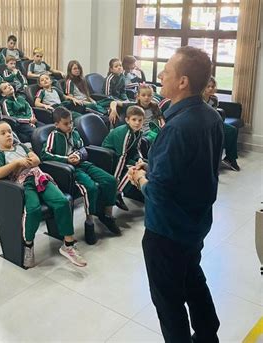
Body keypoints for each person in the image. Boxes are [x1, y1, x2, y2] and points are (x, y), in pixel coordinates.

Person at [128, 46, 222, 342]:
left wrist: (141, 178)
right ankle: (208, 335)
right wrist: (153, 164)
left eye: (166, 71)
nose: (161, 76)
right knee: (193, 278)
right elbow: (191, 167)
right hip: (195, 223)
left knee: (169, 302)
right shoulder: (210, 116)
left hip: (167, 231)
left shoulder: (178, 128)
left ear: (182, 81)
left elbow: (159, 192)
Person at [0, 121, 86, 268]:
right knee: (33, 210)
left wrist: (29, 161)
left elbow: (36, 159)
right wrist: (17, 163)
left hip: (40, 178)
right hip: (23, 185)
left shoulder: (21, 146)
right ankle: (28, 245)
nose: (8, 135)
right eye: (3, 133)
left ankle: (68, 245)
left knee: (62, 201)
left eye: (9, 131)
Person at [41, 107, 121, 244]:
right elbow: (45, 155)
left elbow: (82, 149)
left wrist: (78, 155)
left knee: (111, 181)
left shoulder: (75, 133)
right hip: (70, 170)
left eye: (71, 122)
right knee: (91, 188)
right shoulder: (53, 136)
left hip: (82, 164)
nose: (70, 125)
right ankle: (89, 222)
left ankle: (107, 215)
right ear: (57, 124)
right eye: (66, 123)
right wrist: (66, 159)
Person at [102, 105, 145, 212]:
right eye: (134, 120)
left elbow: (137, 149)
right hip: (110, 157)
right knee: (133, 169)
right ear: (127, 120)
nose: (137, 123)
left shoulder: (139, 132)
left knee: (143, 165)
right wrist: (116, 179)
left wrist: (140, 159)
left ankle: (139, 192)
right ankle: (117, 191)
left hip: (124, 155)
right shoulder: (125, 133)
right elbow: (121, 157)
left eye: (140, 120)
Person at [203, 76, 240, 171]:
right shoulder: (198, 99)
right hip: (202, 124)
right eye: (208, 86)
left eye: (212, 86)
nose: (211, 88)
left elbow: (214, 113)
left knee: (232, 130)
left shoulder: (214, 99)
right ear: (203, 87)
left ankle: (231, 159)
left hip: (213, 123)